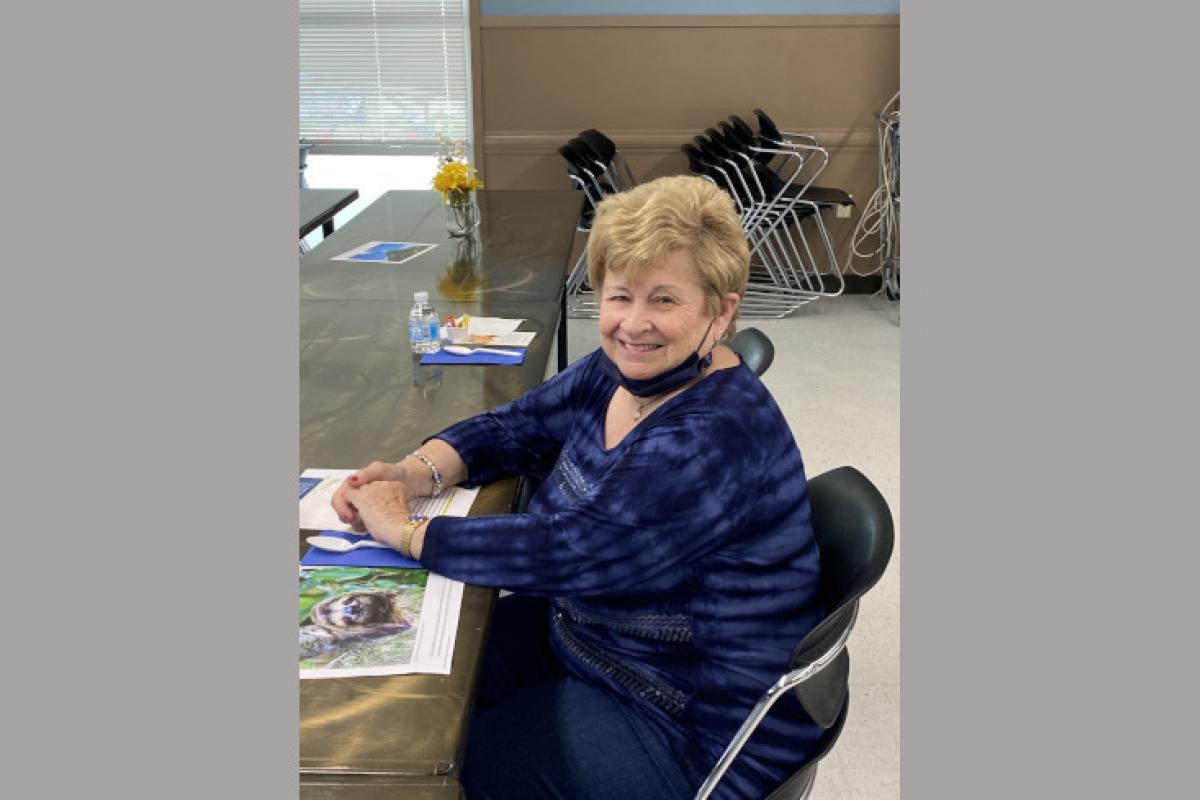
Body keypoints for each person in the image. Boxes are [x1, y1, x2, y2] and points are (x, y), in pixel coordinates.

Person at [332, 175, 825, 799]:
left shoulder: (711, 435)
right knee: (409, 692)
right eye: (620, 296)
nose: (633, 324)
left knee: (439, 769)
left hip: (683, 713)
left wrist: (402, 530)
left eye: (665, 301)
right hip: (595, 635)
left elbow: (569, 550)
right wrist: (415, 471)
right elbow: (521, 423)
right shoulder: (629, 369)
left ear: (720, 311)